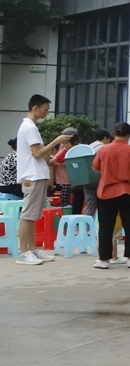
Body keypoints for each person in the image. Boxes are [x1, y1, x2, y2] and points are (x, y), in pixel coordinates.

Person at [15, 95, 66, 264]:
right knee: (28, 214)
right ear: (35, 108)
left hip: (36, 175)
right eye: (45, 109)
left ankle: (31, 249)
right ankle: (24, 251)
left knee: (32, 215)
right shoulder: (29, 127)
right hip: (33, 176)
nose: (47, 112)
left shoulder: (29, 126)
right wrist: (56, 141)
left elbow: (37, 153)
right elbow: (36, 153)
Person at [91, 122, 130, 269]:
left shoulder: (104, 149)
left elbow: (96, 167)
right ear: (129, 134)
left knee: (105, 226)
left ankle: (104, 260)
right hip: (129, 191)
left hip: (107, 192)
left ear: (114, 133)